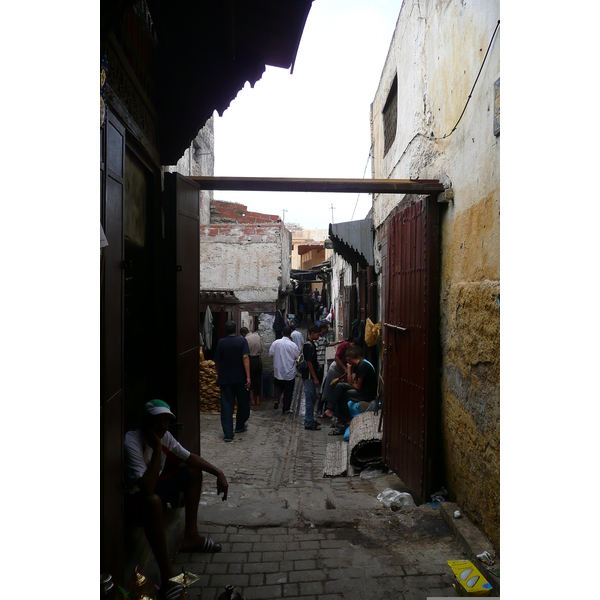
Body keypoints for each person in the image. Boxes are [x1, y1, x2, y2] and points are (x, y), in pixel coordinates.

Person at [124, 399, 229, 600]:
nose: (163, 426)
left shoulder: (165, 436)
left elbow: (189, 457)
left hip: (156, 487)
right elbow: (146, 488)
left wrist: (218, 473)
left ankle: (191, 536)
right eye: (158, 421)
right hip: (138, 499)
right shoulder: (132, 441)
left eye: (166, 421)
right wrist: (156, 447)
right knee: (152, 500)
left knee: (193, 471)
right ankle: (167, 577)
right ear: (146, 421)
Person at [214, 320, 251, 442]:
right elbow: (245, 357)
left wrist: (220, 375)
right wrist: (248, 377)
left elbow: (217, 362)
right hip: (241, 378)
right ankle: (240, 425)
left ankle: (228, 434)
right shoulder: (242, 341)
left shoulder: (221, 343)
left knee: (226, 406)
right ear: (236, 330)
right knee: (243, 403)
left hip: (226, 379)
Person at [327, 346, 377, 436]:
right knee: (340, 387)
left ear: (348, 359)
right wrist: (349, 369)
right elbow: (351, 382)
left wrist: (352, 383)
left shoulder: (362, 366)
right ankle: (333, 411)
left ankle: (342, 418)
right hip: (362, 390)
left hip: (366, 394)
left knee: (342, 394)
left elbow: (357, 387)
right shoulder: (357, 366)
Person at [318, 337, 358, 417]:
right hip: (335, 370)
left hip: (341, 372)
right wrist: (345, 369)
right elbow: (336, 357)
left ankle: (329, 411)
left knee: (335, 392)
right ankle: (320, 410)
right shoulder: (344, 345)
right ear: (352, 344)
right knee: (327, 390)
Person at [268, 325, 300, 413]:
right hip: (289, 371)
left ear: (282, 333)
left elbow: (271, 354)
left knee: (278, 386)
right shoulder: (293, 345)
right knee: (288, 391)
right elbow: (297, 356)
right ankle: (286, 408)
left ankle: (277, 399)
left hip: (278, 370)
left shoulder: (276, 343)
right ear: (290, 334)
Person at [302, 325, 322, 430]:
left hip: (310, 375)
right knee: (310, 399)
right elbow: (309, 362)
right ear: (312, 333)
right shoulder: (309, 345)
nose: (318, 336)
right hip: (309, 376)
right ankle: (309, 422)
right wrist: (315, 378)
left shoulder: (311, 344)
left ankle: (310, 418)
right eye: (317, 334)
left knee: (313, 398)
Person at [241, 326, 263, 407]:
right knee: (258, 379)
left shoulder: (245, 339)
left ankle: (252, 400)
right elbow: (261, 349)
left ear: (243, 334)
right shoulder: (257, 336)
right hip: (258, 360)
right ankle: (258, 400)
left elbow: (245, 353)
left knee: (249, 379)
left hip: (250, 360)